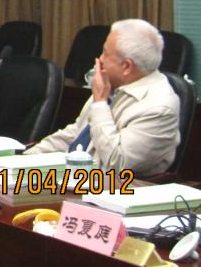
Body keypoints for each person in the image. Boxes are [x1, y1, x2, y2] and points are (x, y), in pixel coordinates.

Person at [24, 19, 179, 177]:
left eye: (105, 53)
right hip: (75, 177)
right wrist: (25, 158)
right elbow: (75, 134)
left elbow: (117, 163)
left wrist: (100, 105)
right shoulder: (111, 85)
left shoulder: (159, 108)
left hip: (113, 187)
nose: (100, 59)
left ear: (126, 66)